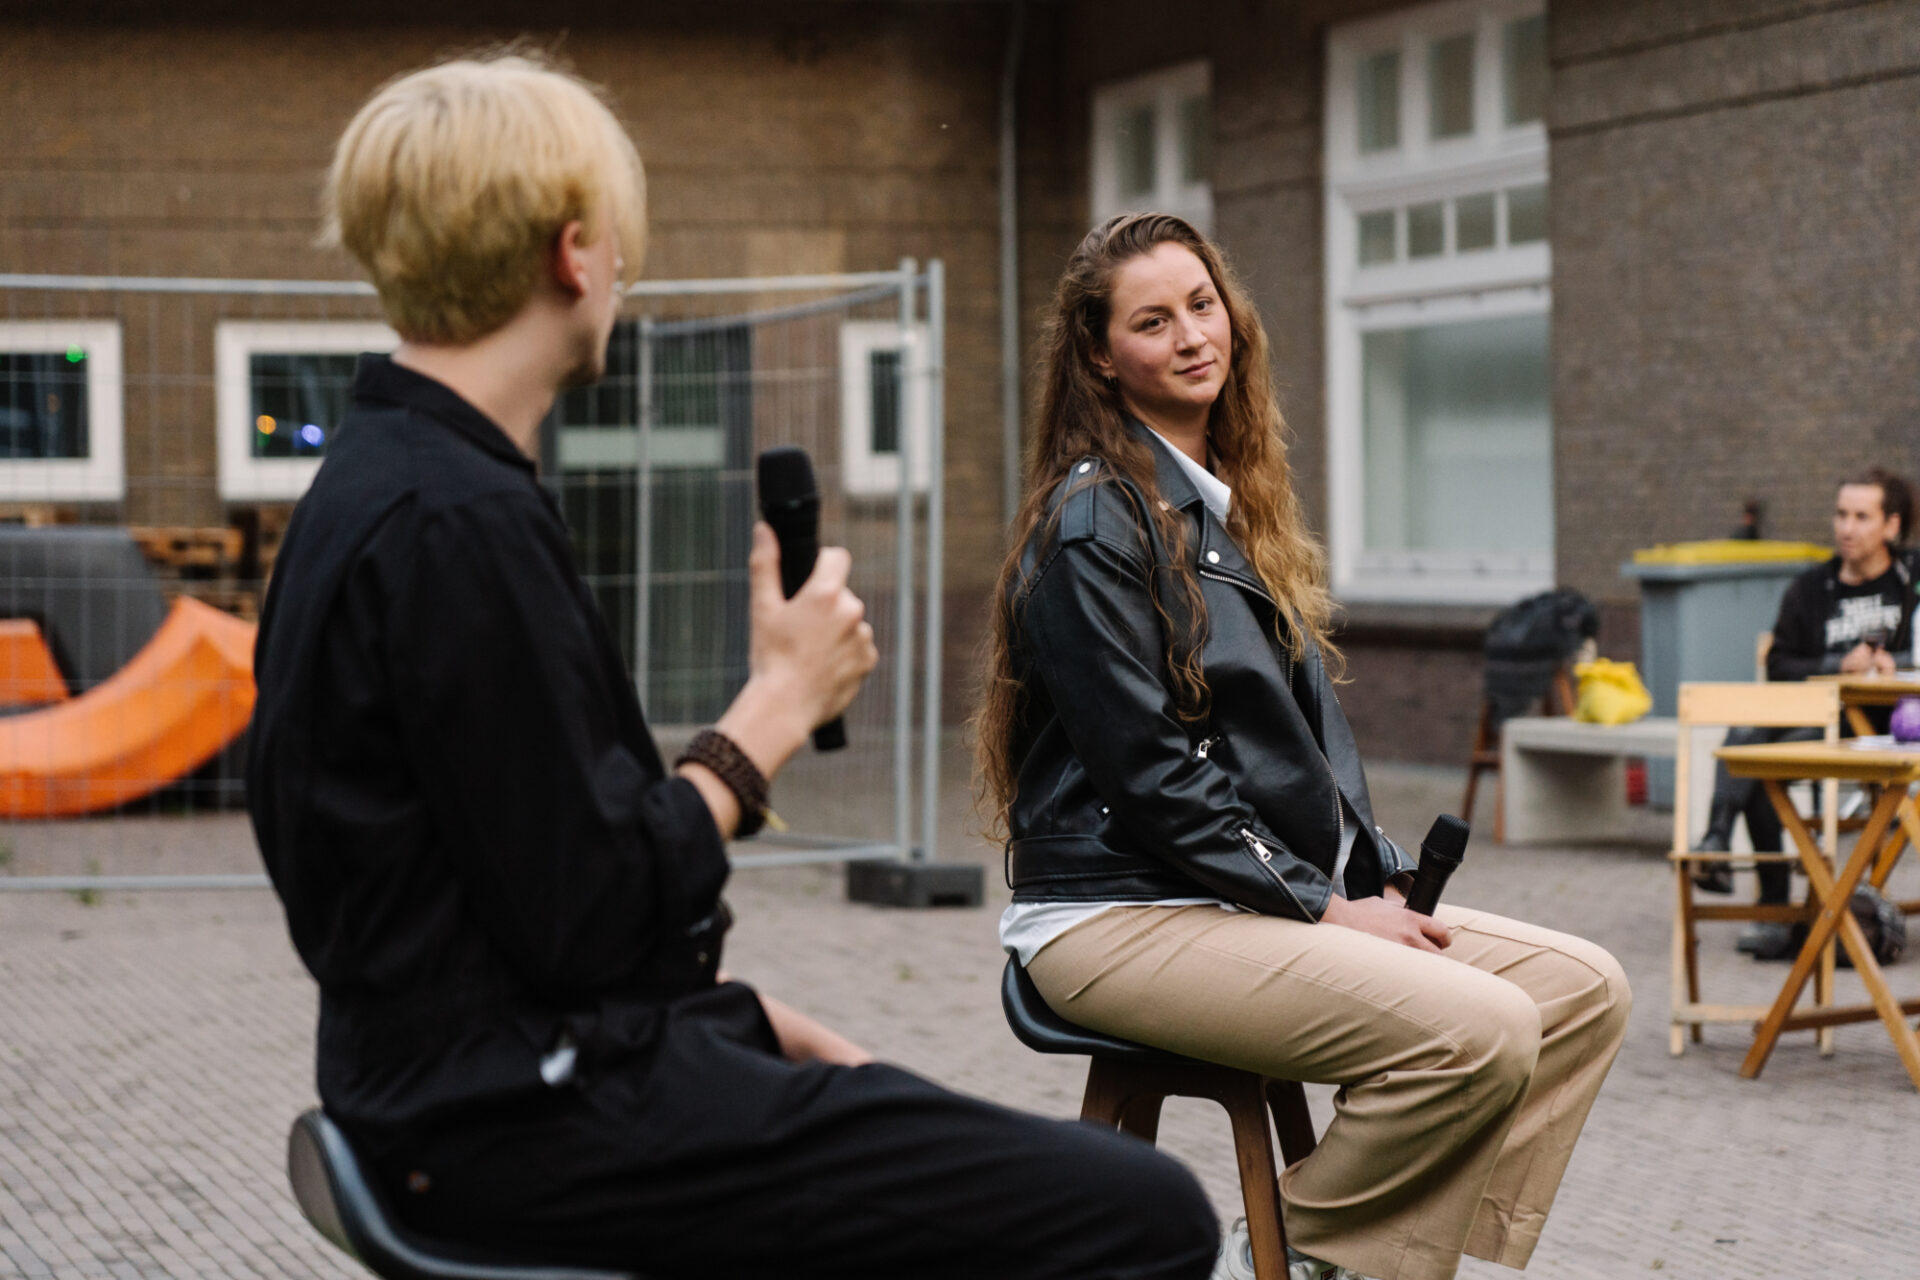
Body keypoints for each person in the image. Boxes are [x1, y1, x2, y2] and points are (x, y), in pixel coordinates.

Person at [248, 55, 1218, 1280]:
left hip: (476, 1085)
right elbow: (589, 912)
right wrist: (773, 708)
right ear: (574, 253)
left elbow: (503, 895)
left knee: (951, 1138)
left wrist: (751, 1023)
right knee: (1144, 1212)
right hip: (532, 1121)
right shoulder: (458, 524)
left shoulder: (377, 483)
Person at [976, 213, 1631, 1280]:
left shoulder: (1216, 506)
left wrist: (1364, 877)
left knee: (1582, 989)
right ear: (1100, 354)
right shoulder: (1095, 525)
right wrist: (1325, 905)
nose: (1194, 335)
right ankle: (1301, 1253)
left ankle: (1375, 1252)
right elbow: (1150, 776)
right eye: (1153, 320)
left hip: (1231, 891)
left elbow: (1284, 750)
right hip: (1116, 913)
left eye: (1202, 303)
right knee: (1477, 1031)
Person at [1692, 468, 1918, 957]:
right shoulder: (1810, 588)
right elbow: (1778, 664)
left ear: (1892, 526)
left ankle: (1726, 853)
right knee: (1753, 750)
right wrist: (1838, 664)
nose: (1847, 528)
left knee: (1754, 752)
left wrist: (1889, 663)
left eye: (1862, 516)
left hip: (1884, 729)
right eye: (1841, 514)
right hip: (1816, 719)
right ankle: (1758, 887)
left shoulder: (1912, 580)